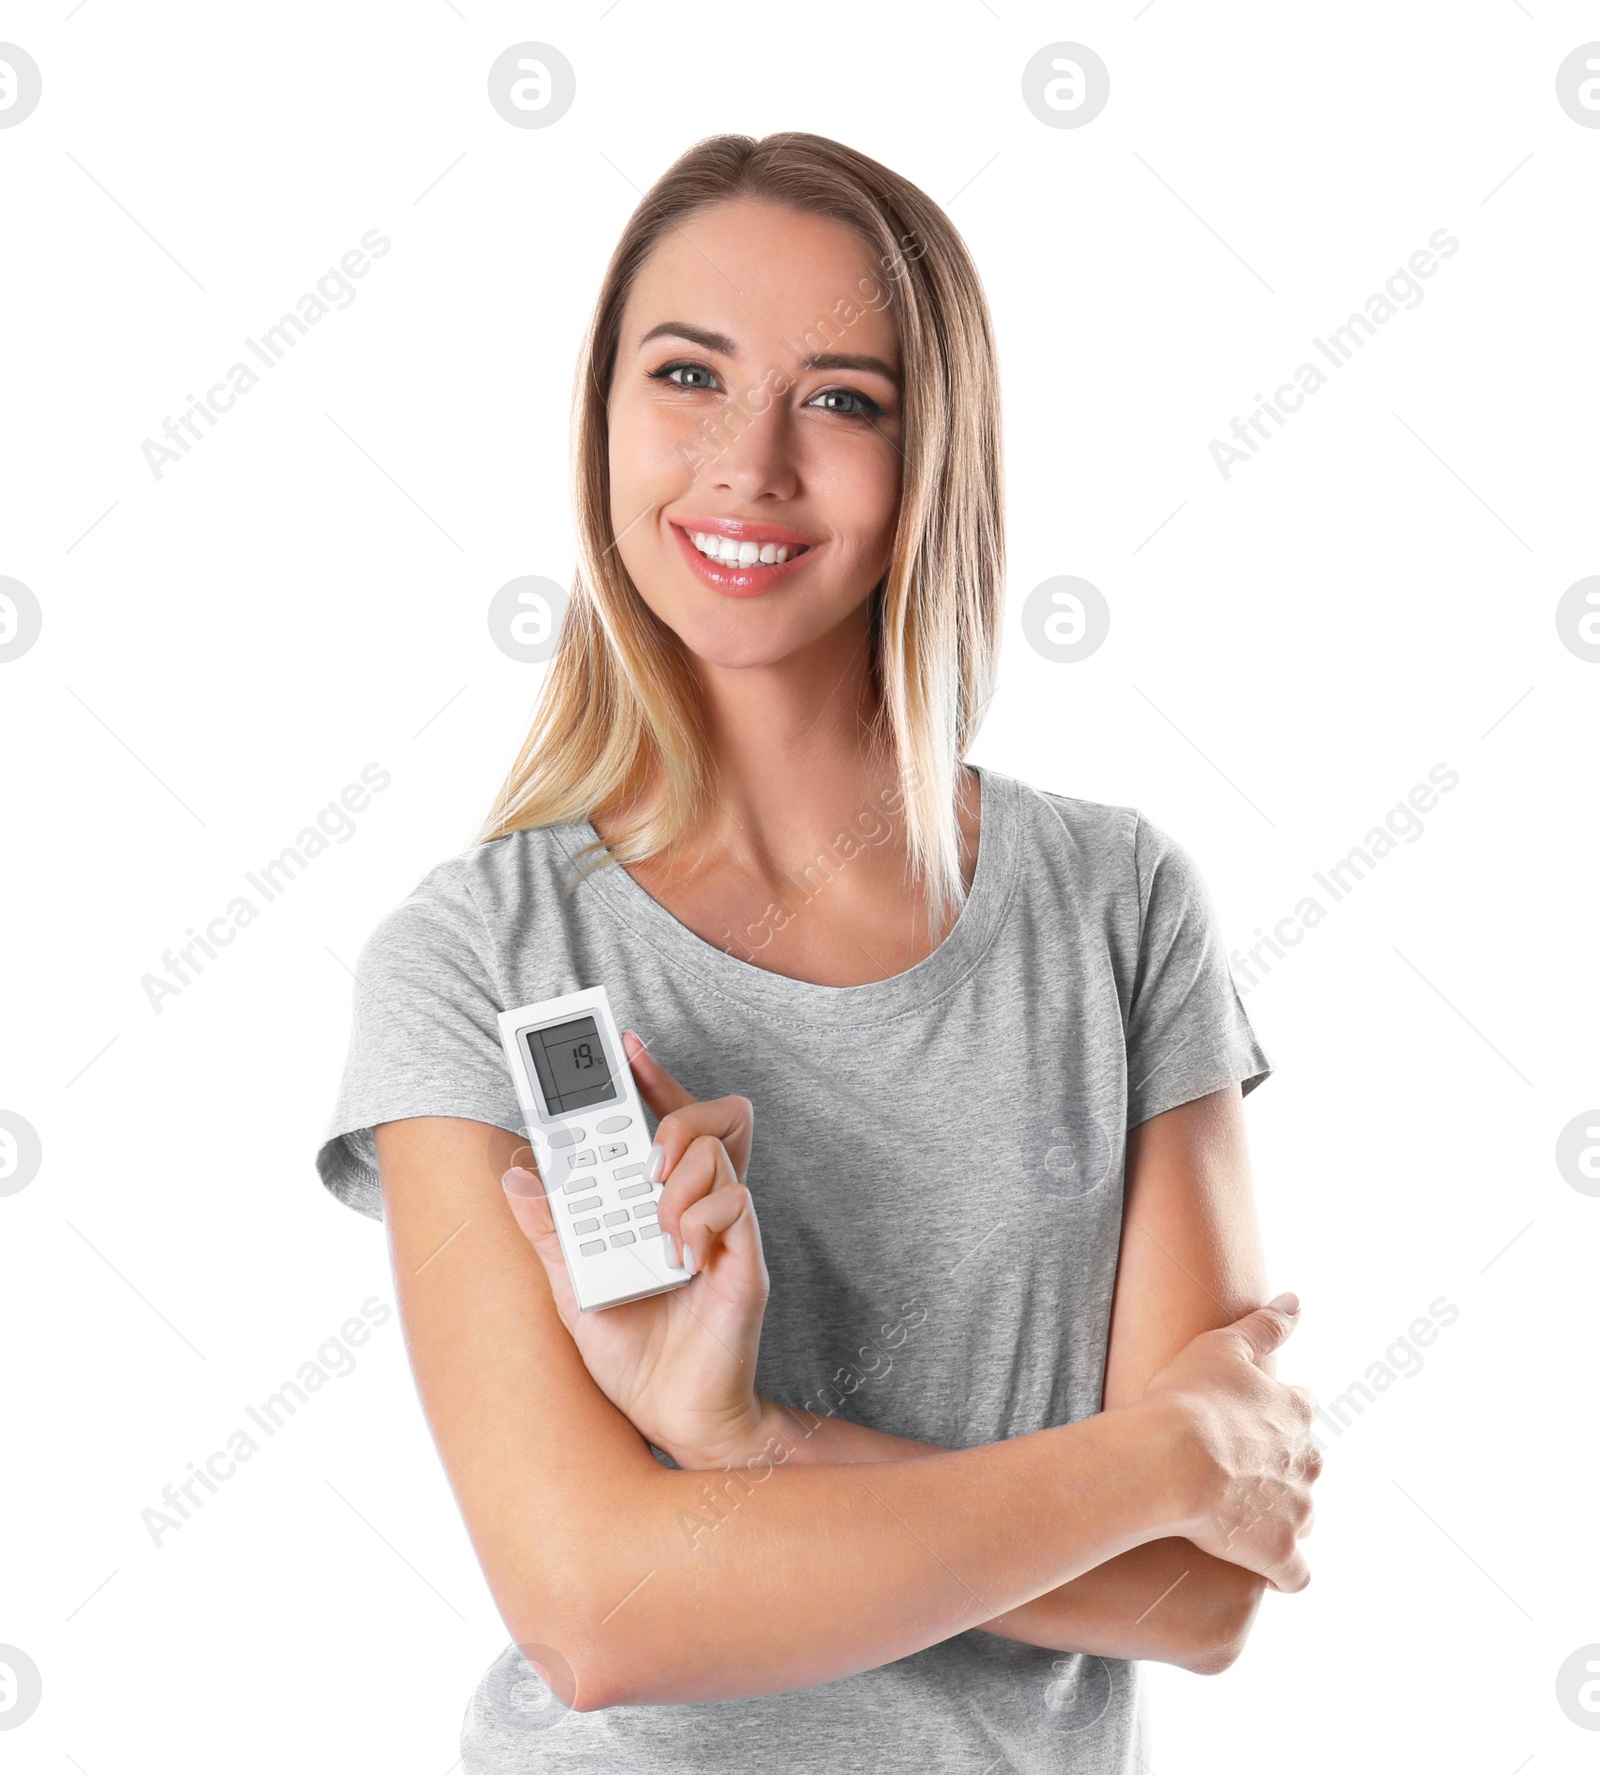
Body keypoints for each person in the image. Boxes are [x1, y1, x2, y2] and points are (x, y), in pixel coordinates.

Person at [316, 130, 1320, 1774]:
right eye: (688, 375)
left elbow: (1203, 1591)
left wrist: (743, 1443)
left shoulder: (1119, 907)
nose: (748, 462)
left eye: (840, 397)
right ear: (602, 422)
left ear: (936, 455)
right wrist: (1166, 1456)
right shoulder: (473, 957)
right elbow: (601, 1611)